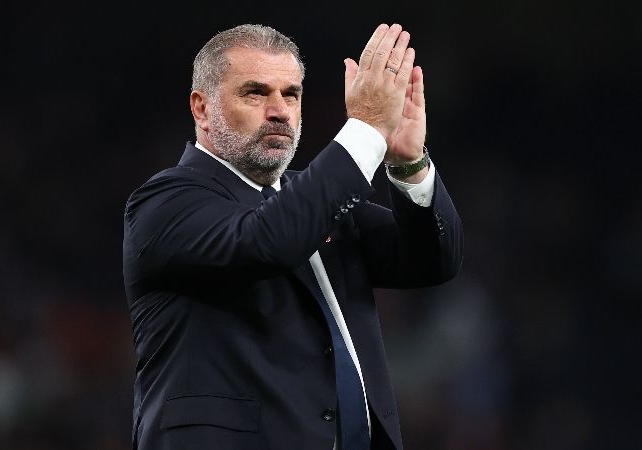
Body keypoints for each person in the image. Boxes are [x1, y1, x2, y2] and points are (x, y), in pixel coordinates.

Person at [122, 22, 463, 450]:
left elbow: (433, 260)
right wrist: (366, 128)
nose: (280, 110)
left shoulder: (321, 203)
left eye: (291, 94)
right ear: (202, 108)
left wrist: (408, 163)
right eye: (255, 92)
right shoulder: (164, 203)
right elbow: (269, 241)